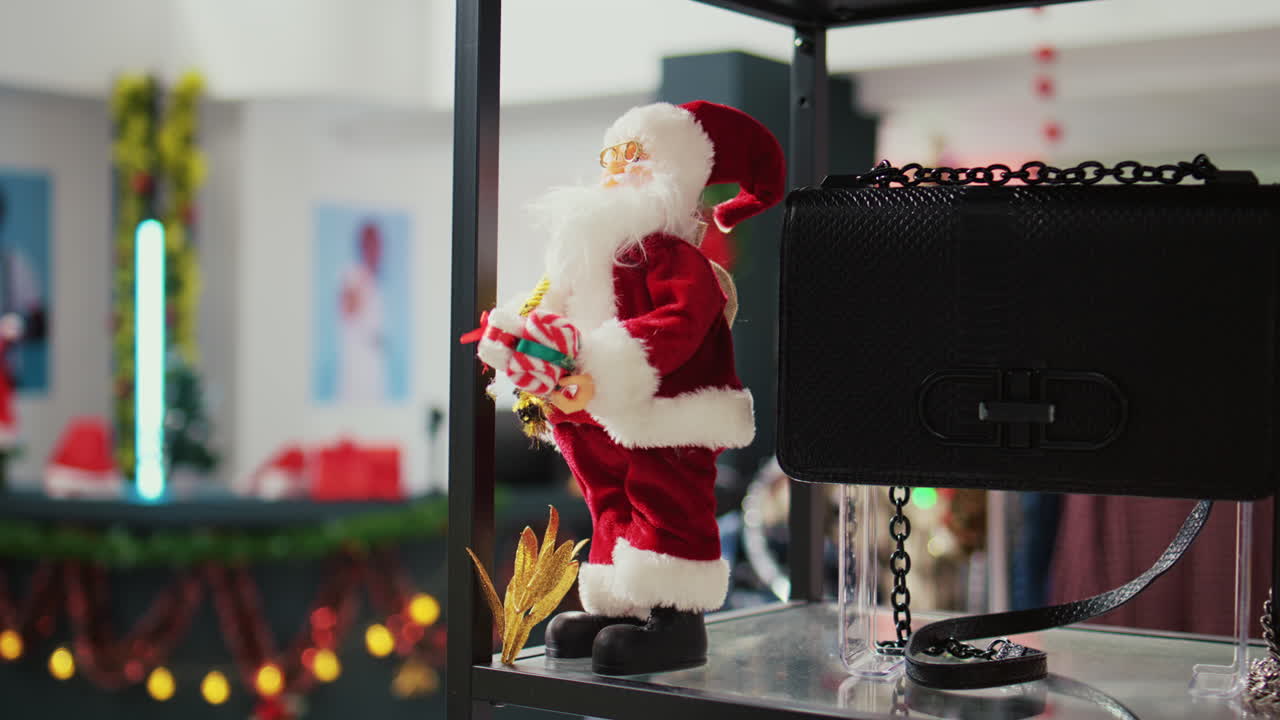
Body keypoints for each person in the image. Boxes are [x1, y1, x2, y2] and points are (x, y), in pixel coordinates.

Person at [476, 101, 785, 675]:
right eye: (610, 158)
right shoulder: (585, 252)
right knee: (609, 503)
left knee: (666, 499)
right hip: (590, 414)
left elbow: (676, 325)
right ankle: (621, 603)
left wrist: (598, 370)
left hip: (664, 410)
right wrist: (515, 340)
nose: (617, 171)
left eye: (635, 158)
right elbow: (548, 304)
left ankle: (675, 617)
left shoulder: (675, 258)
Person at [338, 221, 387, 404]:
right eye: (372, 245)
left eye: (378, 246)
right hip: (356, 360)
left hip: (373, 363)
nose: (377, 251)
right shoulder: (352, 274)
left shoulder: (377, 280)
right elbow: (346, 310)